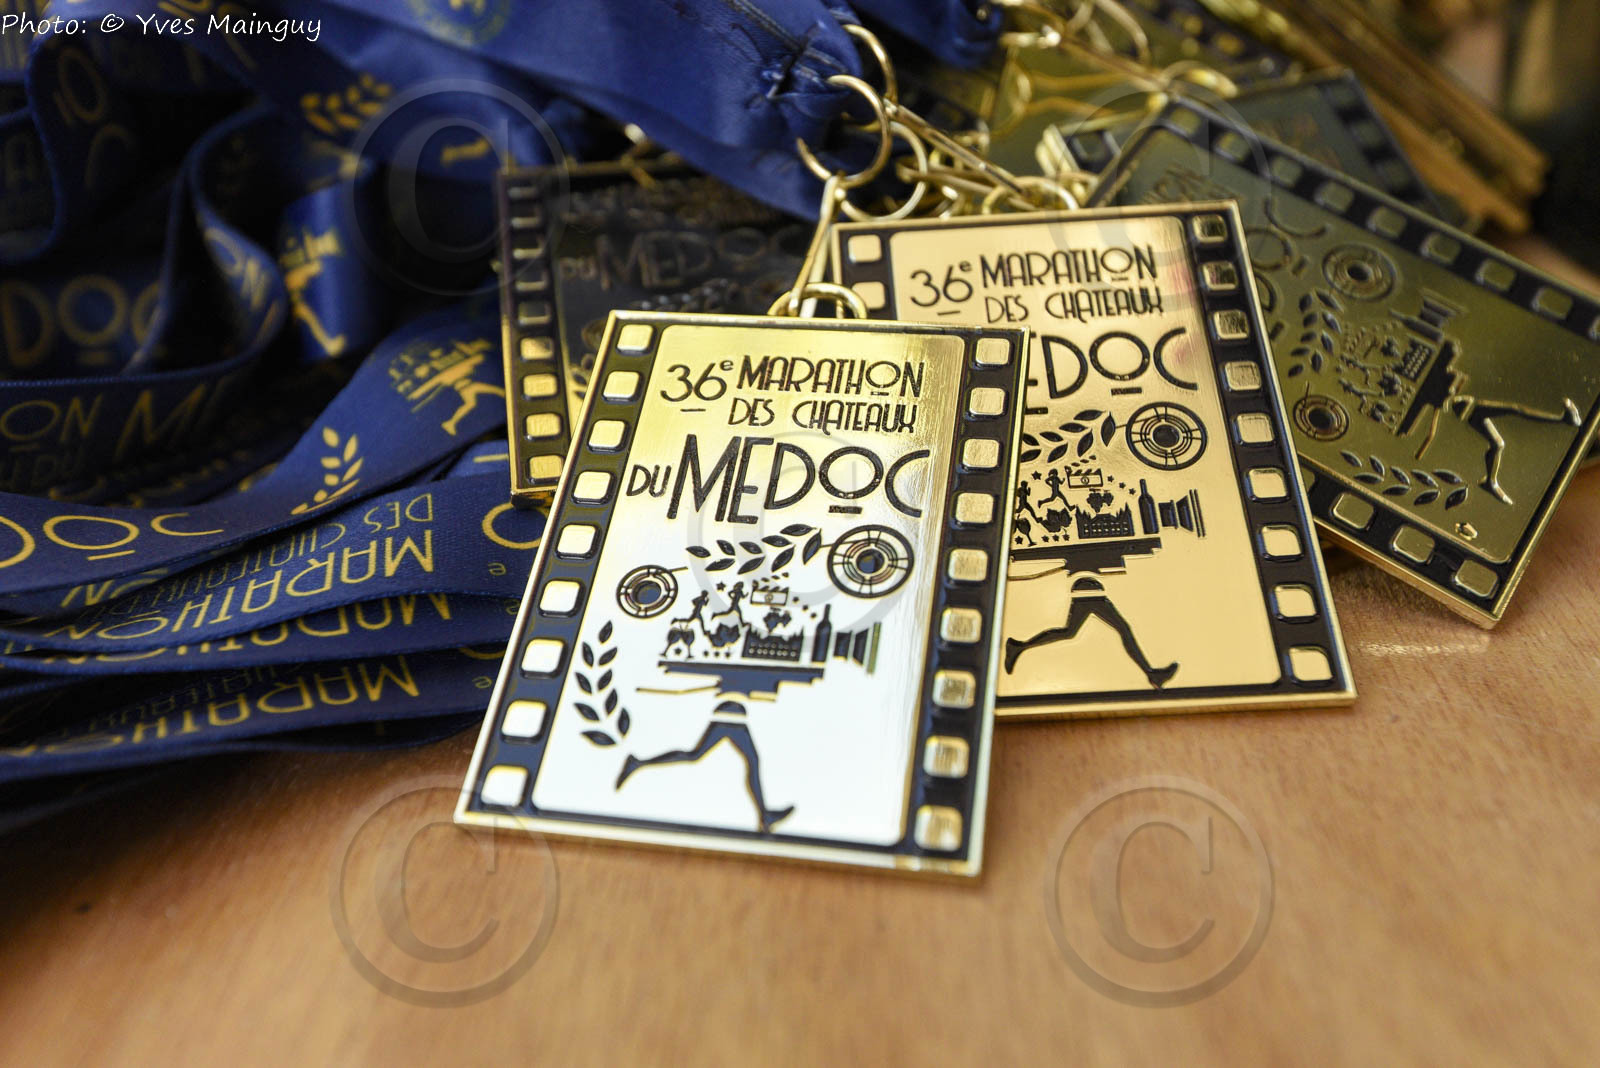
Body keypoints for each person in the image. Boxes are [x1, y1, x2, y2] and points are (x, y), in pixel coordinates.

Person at [615, 700, 794, 832]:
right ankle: (637, 763)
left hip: (733, 714)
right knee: (701, 756)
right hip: (729, 715)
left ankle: (765, 815)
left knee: (701, 756)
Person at [1004, 575, 1177, 688]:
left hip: (1089, 587)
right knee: (1122, 629)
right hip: (1088, 589)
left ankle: (1019, 647)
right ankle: (1151, 674)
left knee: (1070, 632)